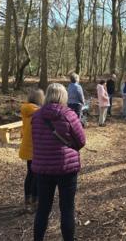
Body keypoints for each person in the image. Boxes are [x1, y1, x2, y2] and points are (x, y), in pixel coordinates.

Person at [31, 83, 86, 241]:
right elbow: (81, 141)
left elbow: (36, 140)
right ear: (64, 96)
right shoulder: (69, 115)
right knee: (67, 208)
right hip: (66, 168)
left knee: (43, 209)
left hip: (43, 169)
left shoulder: (36, 116)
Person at [19, 88, 44, 211]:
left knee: (30, 174)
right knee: (36, 175)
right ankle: (35, 200)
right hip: (35, 147)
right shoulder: (39, 112)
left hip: (27, 146)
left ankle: (27, 200)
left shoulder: (25, 109)